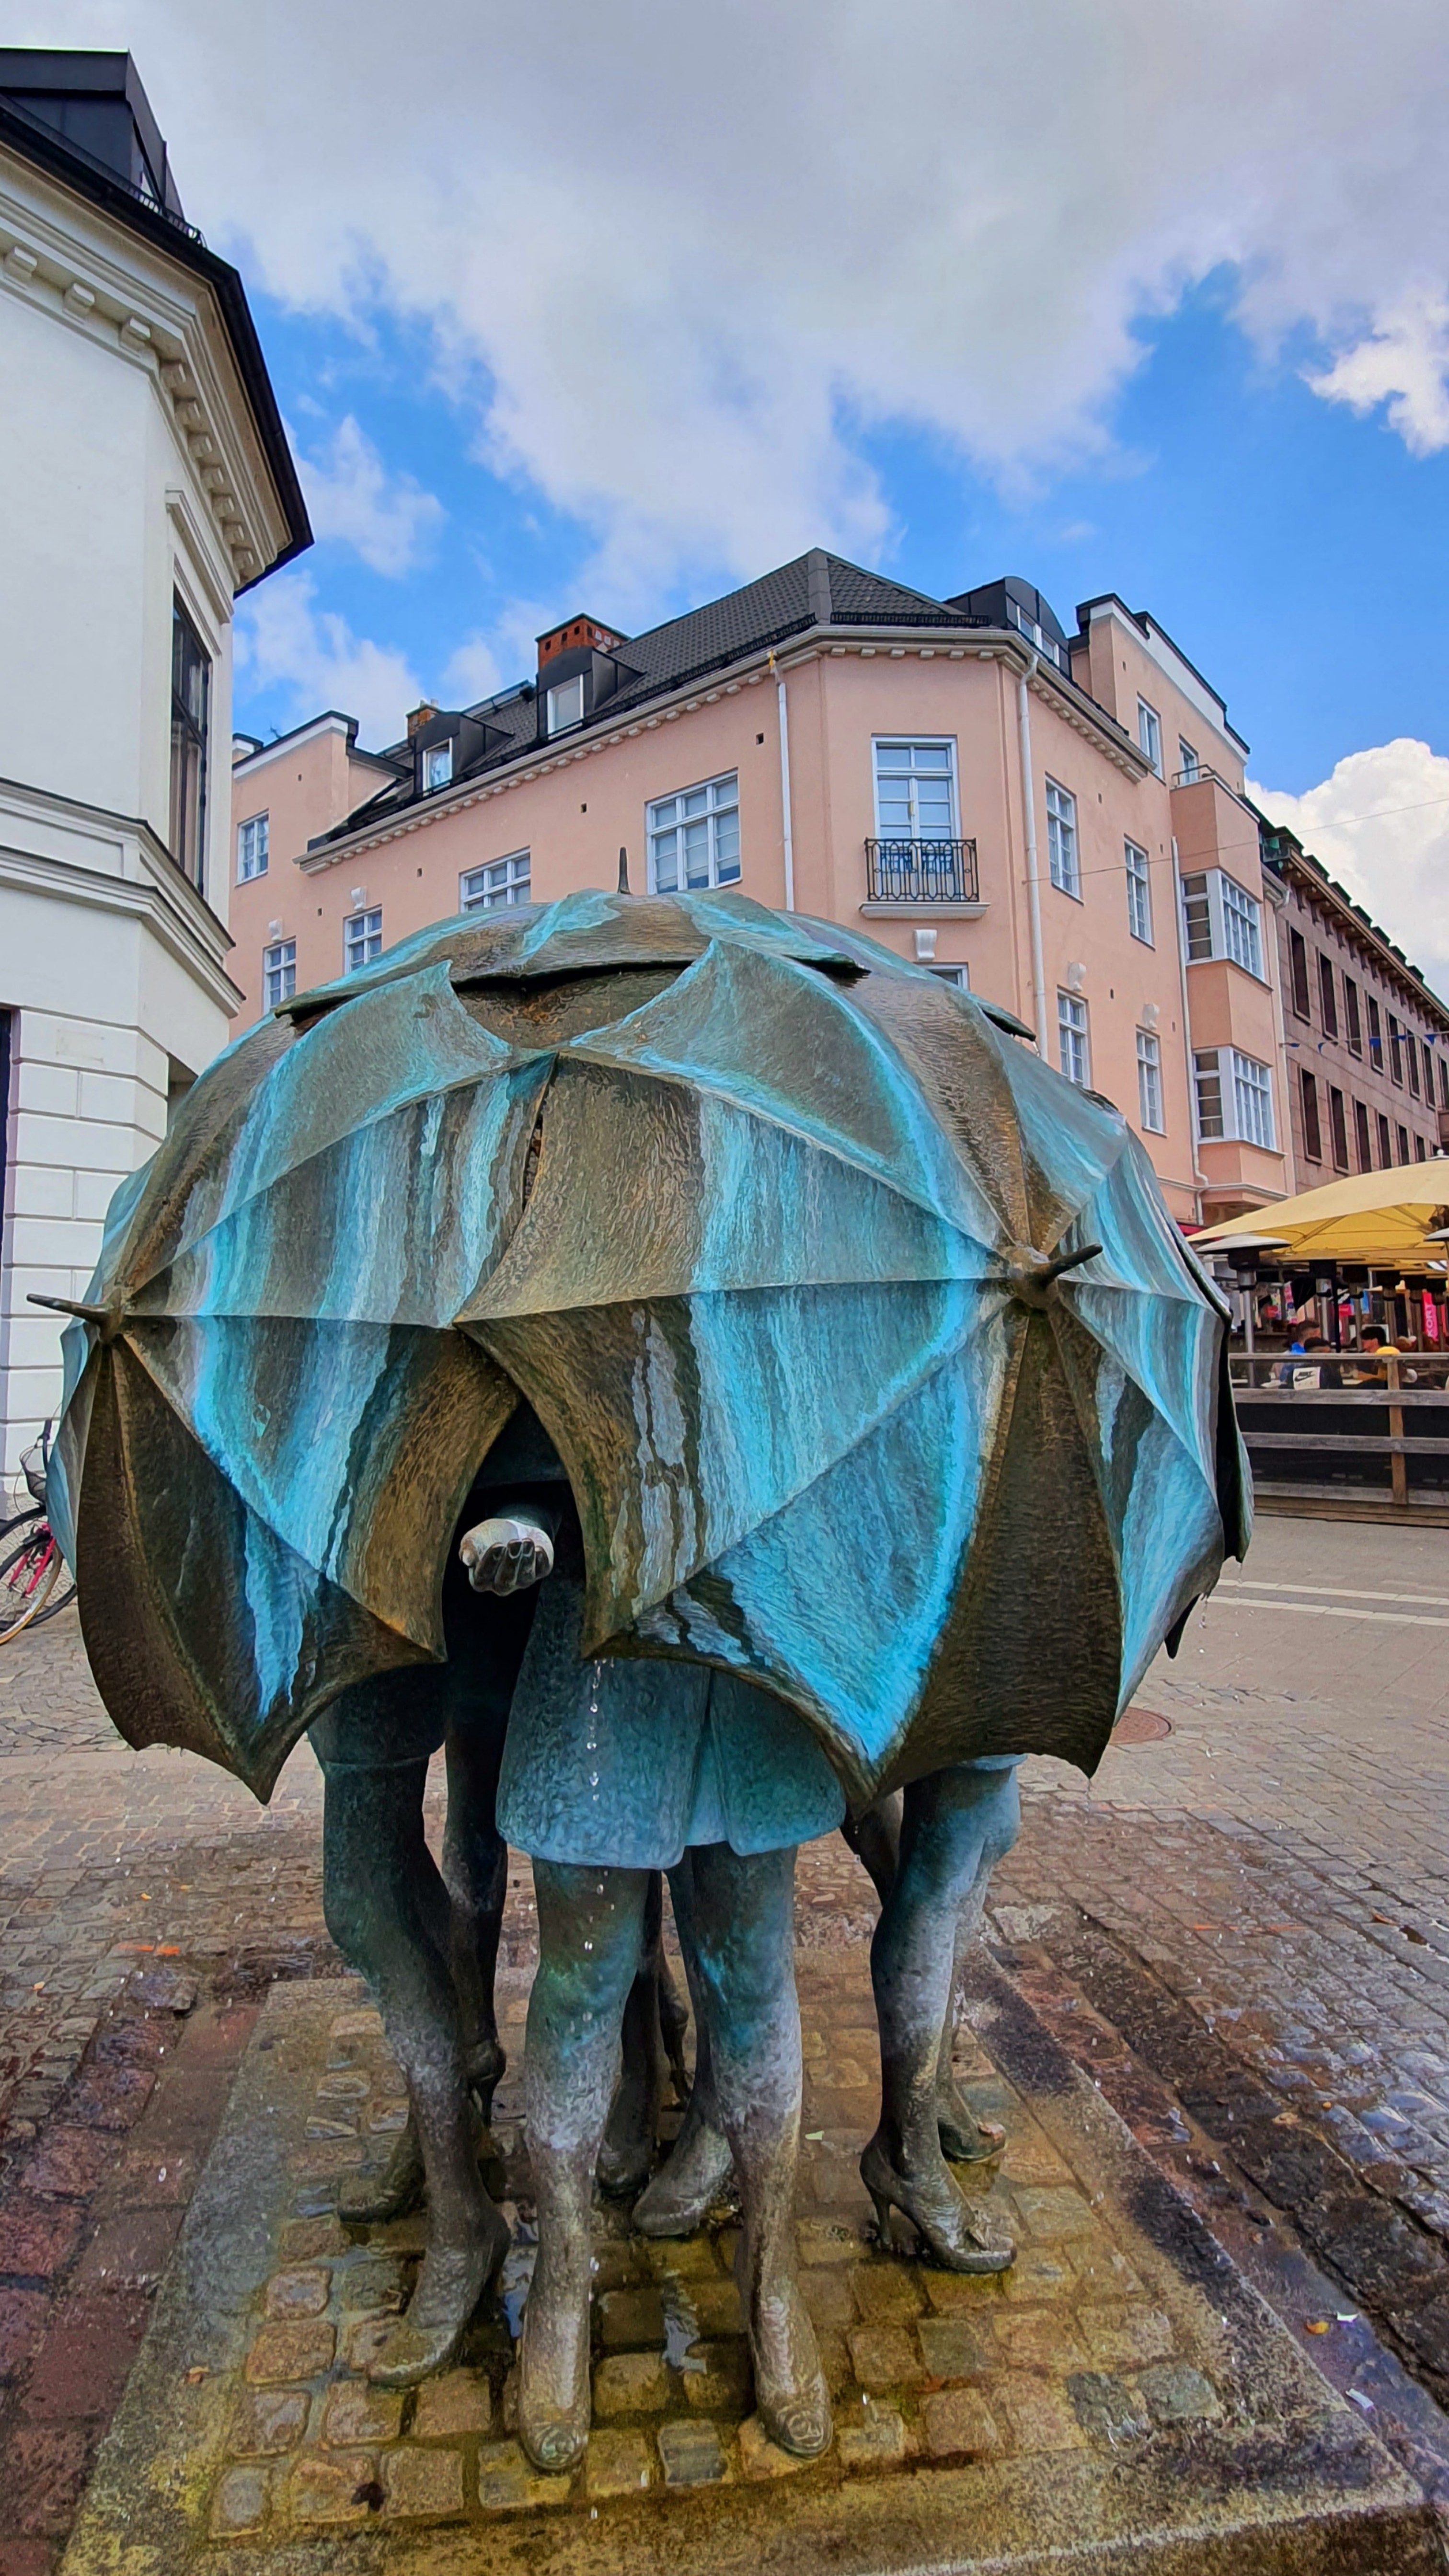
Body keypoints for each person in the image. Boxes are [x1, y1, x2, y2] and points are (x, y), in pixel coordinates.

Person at [473, 1502, 845, 2474]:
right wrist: (519, 1513)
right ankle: (563, 2276)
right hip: (599, 1636)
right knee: (580, 1983)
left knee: (753, 1977)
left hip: (745, 1625)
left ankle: (772, 2274)